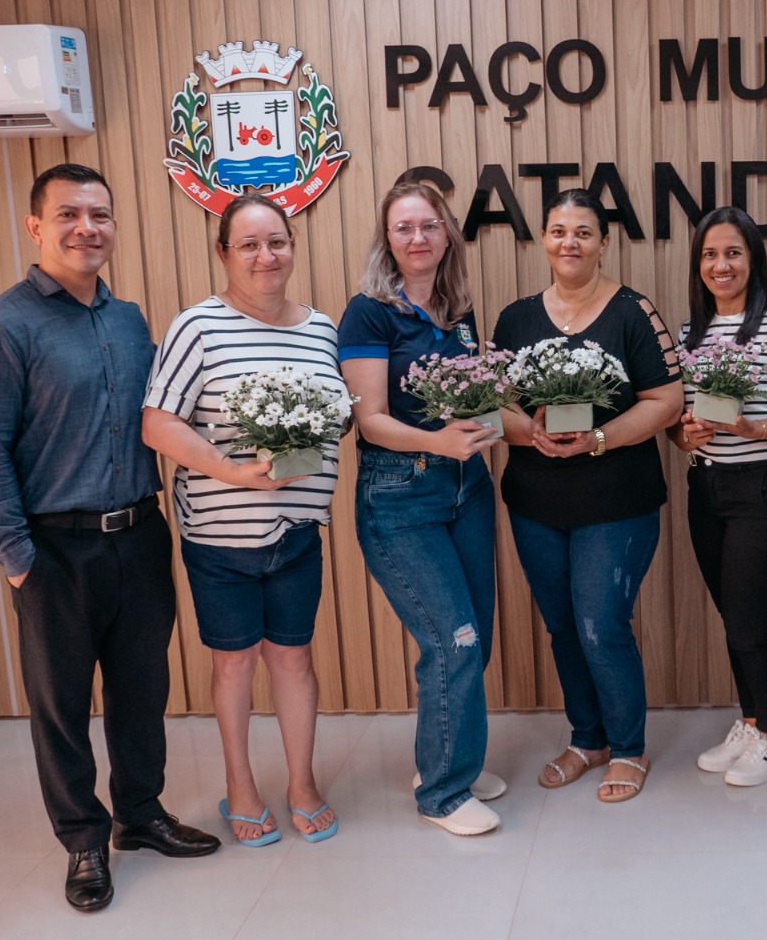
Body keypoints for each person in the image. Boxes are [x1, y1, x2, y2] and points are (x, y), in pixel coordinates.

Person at [0, 163, 219, 912]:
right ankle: (82, 841)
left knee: (143, 690)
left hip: (137, 534)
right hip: (52, 550)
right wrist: (15, 561)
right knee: (61, 704)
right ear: (35, 226)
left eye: (99, 215)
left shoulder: (129, 319)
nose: (86, 228)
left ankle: (141, 815)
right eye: (68, 214)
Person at [142, 194, 346, 846]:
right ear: (224, 253)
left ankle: (302, 783)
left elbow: (332, 411)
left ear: (292, 247)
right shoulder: (196, 327)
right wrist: (236, 471)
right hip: (219, 538)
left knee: (294, 659)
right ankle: (240, 785)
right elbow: (158, 423)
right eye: (249, 245)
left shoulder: (321, 327)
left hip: (296, 532)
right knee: (234, 665)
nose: (266, 256)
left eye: (277, 242)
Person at [493, 187, 683, 803]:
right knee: (563, 628)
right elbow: (496, 402)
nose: (568, 242)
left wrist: (596, 439)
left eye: (582, 232)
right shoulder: (516, 318)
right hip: (536, 502)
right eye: (557, 231)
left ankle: (628, 748)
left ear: (603, 242)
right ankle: (588, 738)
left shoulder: (632, 311)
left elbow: (667, 400)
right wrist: (532, 432)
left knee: (601, 624)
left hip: (616, 503)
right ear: (542, 241)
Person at [338, 181, 505, 836]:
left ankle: (449, 758)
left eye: (428, 226)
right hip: (401, 495)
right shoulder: (368, 313)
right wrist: (440, 439)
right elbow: (372, 421)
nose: (416, 238)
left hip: (467, 491)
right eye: (402, 227)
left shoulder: (456, 312)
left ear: (447, 235)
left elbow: (470, 401)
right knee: (451, 639)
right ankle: (442, 792)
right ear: (387, 238)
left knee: (474, 637)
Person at [667, 207, 767, 787]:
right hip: (705, 486)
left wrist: (755, 428)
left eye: (733, 253)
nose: (721, 265)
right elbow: (676, 417)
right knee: (733, 616)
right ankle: (754, 721)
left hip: (765, 490)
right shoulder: (690, 333)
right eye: (710, 254)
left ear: (754, 260)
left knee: (750, 622)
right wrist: (684, 432)